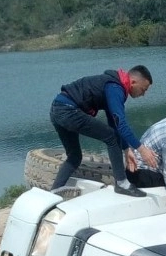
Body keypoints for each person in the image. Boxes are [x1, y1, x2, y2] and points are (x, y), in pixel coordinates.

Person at [49, 65, 158, 197]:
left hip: (57, 109)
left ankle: (54, 193)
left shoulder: (111, 84)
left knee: (74, 157)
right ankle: (122, 184)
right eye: (143, 89)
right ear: (133, 82)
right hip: (68, 110)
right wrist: (141, 149)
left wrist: (126, 149)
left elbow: (113, 122)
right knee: (111, 137)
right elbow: (121, 124)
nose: (143, 94)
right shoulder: (115, 88)